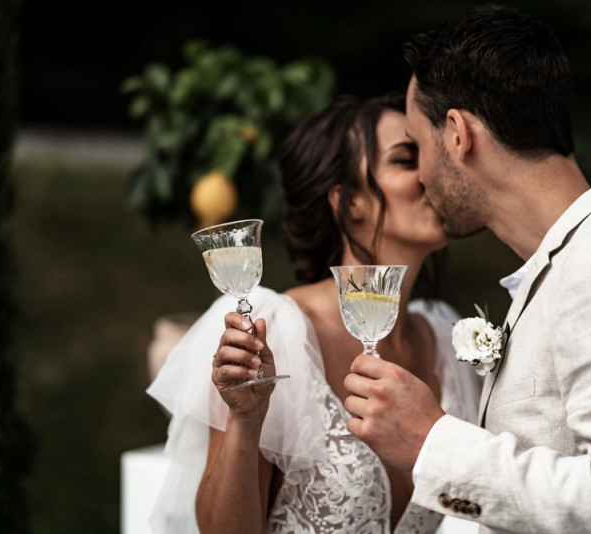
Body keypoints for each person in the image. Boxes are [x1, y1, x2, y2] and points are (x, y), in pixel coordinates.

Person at [342, 5, 591, 533]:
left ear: (458, 134)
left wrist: (431, 442)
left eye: (416, 146)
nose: (418, 172)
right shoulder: (576, 264)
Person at [146, 94, 482, 533]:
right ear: (350, 202)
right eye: (406, 158)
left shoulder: (443, 337)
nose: (432, 172)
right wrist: (245, 421)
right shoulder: (275, 328)